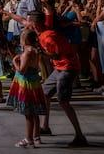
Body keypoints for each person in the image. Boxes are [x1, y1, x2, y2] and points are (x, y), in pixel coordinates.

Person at [28, 10, 88, 147]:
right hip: (60, 68)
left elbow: (56, 56)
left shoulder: (48, 37)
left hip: (68, 68)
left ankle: (80, 136)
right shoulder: (43, 33)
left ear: (35, 24)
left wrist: (41, 52)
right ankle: (45, 127)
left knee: (63, 102)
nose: (27, 23)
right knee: (45, 93)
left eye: (29, 21)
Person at [7, 28, 47, 148]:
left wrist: (14, 61)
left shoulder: (27, 52)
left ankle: (28, 139)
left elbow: (22, 70)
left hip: (27, 84)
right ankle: (37, 136)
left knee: (28, 113)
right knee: (35, 112)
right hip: (34, 83)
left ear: (23, 40)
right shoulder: (35, 50)